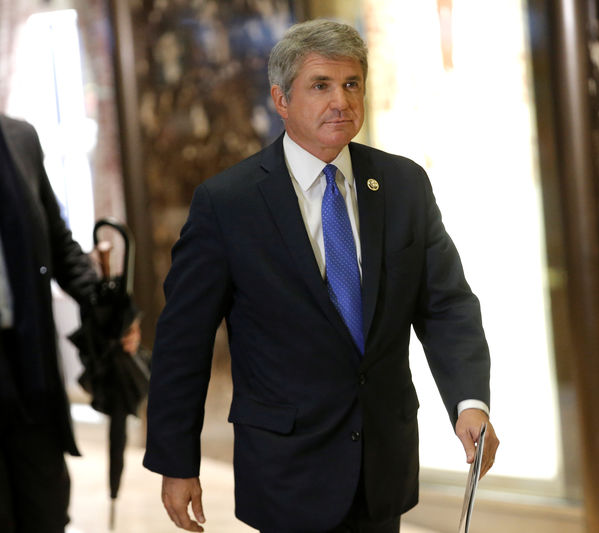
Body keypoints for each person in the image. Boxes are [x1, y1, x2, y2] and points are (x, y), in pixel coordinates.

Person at [143, 19, 499, 533]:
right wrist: (177, 461)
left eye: (351, 84)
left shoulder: (403, 185)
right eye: (321, 85)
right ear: (280, 99)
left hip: (382, 462)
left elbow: (446, 304)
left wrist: (470, 401)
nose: (341, 101)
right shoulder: (228, 203)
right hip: (288, 468)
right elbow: (183, 341)